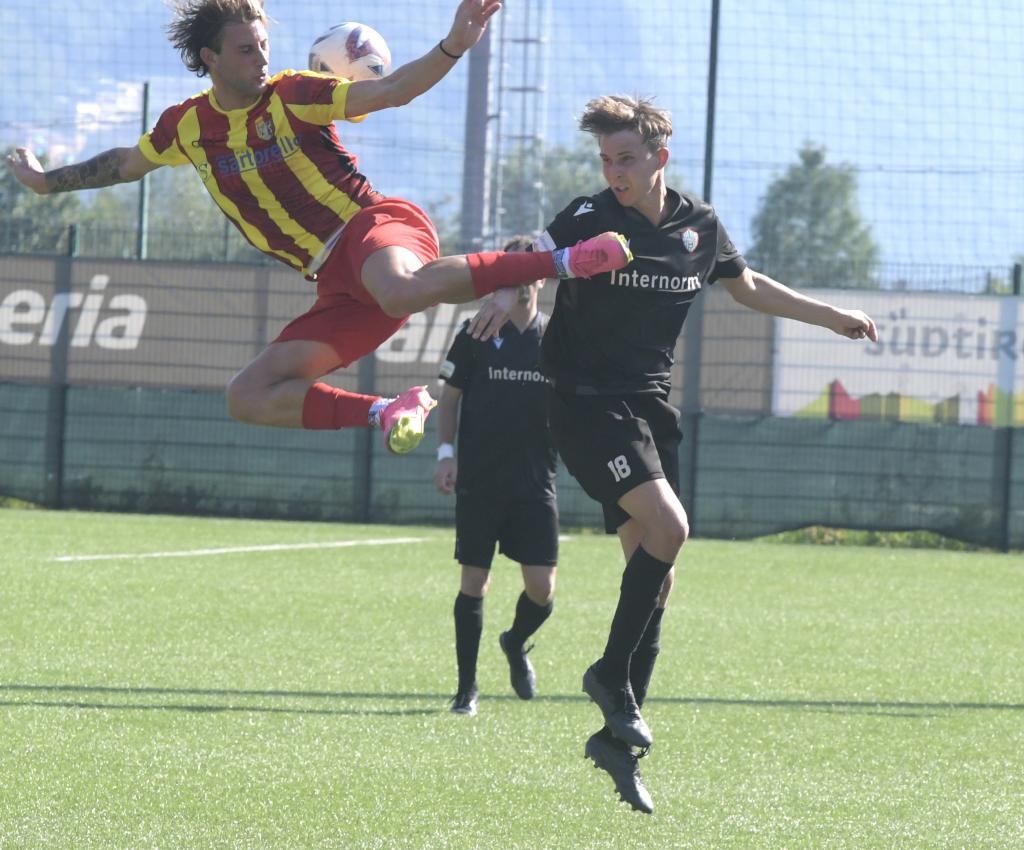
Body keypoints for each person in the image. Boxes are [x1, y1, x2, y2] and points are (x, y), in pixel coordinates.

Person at [4, 0, 631, 456]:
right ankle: (391, 409)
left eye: (263, 47)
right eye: (246, 49)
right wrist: (44, 181)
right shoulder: (185, 127)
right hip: (337, 284)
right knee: (247, 396)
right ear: (210, 58)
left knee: (399, 287)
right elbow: (122, 165)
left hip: (376, 227)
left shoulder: (294, 94)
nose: (260, 59)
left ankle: (566, 261)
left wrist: (454, 44)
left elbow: (389, 91)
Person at [496, 94, 878, 814]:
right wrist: (512, 288)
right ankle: (612, 680)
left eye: (628, 159)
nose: (616, 172)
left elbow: (749, 286)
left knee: (659, 581)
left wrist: (833, 318)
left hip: (647, 410)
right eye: (607, 160)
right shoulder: (589, 217)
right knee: (671, 530)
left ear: (660, 158)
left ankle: (617, 741)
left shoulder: (697, 228)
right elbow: (536, 262)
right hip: (583, 402)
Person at [432, 236, 558, 717]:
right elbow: (450, 397)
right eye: (511, 271)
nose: (520, 280)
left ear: (541, 277)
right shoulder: (476, 331)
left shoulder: (556, 337)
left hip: (535, 481)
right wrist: (446, 454)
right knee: (473, 582)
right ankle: (466, 690)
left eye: (528, 271)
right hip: (481, 479)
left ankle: (515, 641)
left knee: (542, 590)